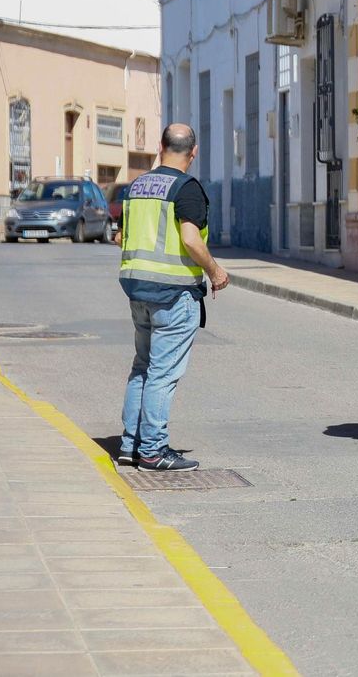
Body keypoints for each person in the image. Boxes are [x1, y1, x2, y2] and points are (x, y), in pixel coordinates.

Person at [116, 124, 229, 472]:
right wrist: (215, 271)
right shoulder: (186, 188)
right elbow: (192, 239)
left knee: (142, 367)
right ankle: (152, 450)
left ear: (160, 146)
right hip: (173, 294)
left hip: (138, 291)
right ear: (193, 153)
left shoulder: (136, 187)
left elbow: (122, 234)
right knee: (162, 374)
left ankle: (130, 445)